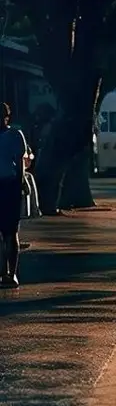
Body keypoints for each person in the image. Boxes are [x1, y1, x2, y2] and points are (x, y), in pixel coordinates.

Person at [0, 103, 27, 288]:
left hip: (9, 185)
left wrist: (20, 183)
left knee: (11, 232)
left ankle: (11, 272)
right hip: (7, 184)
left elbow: (20, 163)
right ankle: (3, 272)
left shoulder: (15, 135)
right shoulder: (14, 135)